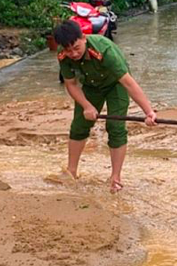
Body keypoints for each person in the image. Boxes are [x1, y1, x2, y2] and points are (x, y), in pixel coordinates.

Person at [54, 20, 157, 193]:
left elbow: (128, 83)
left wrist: (148, 112)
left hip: (116, 84)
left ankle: (115, 177)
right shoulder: (63, 55)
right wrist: (87, 106)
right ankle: (71, 171)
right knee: (79, 125)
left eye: (76, 48)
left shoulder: (105, 51)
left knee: (115, 127)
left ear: (84, 38)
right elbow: (71, 84)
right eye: (68, 50)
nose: (73, 53)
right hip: (91, 85)